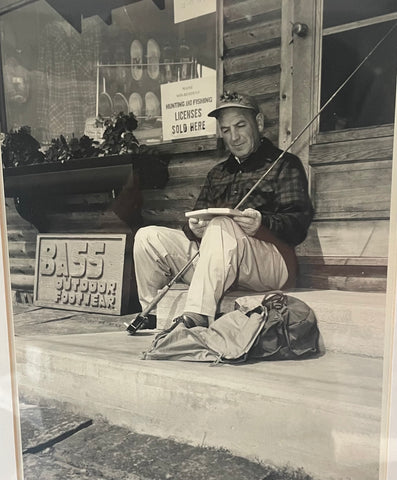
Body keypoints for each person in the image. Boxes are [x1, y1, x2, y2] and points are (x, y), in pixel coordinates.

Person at [133, 91, 314, 329]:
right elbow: (196, 218)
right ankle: (153, 313)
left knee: (222, 224)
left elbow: (298, 225)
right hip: (219, 263)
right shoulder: (218, 173)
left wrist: (262, 224)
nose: (234, 137)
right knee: (148, 236)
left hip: (270, 265)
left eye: (240, 126)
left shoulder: (284, 164)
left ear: (258, 123)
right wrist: (194, 229)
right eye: (226, 130)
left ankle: (197, 315)